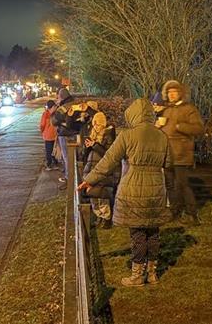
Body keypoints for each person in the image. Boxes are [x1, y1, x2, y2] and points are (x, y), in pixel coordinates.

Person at [78, 99, 173, 287]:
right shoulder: (162, 136)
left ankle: (137, 275)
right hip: (156, 189)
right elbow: (168, 164)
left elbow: (108, 161)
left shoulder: (127, 135)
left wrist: (89, 180)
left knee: (137, 233)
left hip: (133, 188)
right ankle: (152, 273)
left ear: (133, 115)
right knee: (153, 232)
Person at [157, 80, 204, 225]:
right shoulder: (166, 110)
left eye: (174, 92)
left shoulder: (189, 109)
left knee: (182, 184)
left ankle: (192, 214)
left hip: (181, 154)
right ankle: (174, 211)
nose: (171, 95)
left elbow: (199, 129)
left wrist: (180, 126)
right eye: (169, 93)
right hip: (167, 153)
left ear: (180, 93)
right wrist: (158, 126)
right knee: (170, 185)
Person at [82, 108, 117, 229]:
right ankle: (98, 215)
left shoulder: (108, 134)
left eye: (97, 124)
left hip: (102, 169)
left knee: (102, 194)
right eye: (94, 124)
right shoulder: (93, 134)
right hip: (91, 167)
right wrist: (87, 147)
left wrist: (95, 145)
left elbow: (108, 154)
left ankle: (106, 217)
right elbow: (86, 155)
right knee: (93, 194)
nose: (95, 127)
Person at [51, 87, 78, 183]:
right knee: (74, 156)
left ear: (61, 97)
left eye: (58, 97)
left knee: (66, 157)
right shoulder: (75, 104)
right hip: (76, 133)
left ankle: (68, 177)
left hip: (65, 134)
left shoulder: (63, 107)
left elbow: (54, 121)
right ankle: (73, 176)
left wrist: (55, 110)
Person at [39, 100, 58, 170]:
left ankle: (52, 163)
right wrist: (42, 131)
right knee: (50, 150)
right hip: (49, 135)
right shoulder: (47, 114)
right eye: (55, 106)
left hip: (52, 135)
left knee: (52, 150)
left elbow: (42, 125)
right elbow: (42, 125)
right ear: (52, 107)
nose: (56, 107)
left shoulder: (49, 114)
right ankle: (50, 164)